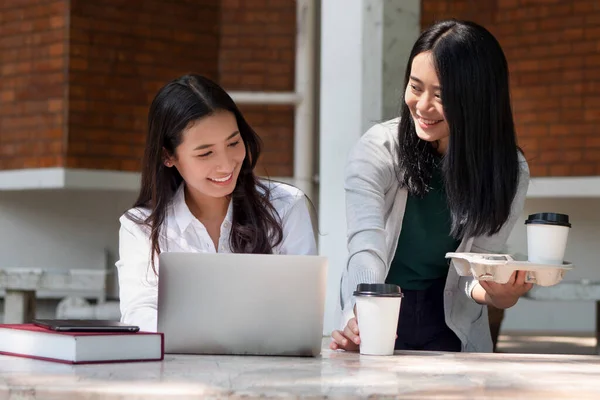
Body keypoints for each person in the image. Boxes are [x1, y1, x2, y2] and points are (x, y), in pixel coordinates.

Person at [330, 19, 531, 353]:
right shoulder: (377, 150)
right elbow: (365, 249)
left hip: (453, 324)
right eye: (415, 86)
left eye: (441, 95)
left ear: (479, 98)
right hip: (379, 315)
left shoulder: (508, 170)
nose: (422, 106)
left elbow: (474, 271)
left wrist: (498, 293)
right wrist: (359, 311)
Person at [116, 74, 317, 332]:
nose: (226, 164)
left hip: (269, 368)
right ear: (168, 156)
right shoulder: (142, 227)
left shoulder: (285, 207)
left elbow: (302, 310)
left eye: (233, 143)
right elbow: (139, 313)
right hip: (180, 369)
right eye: (205, 153)